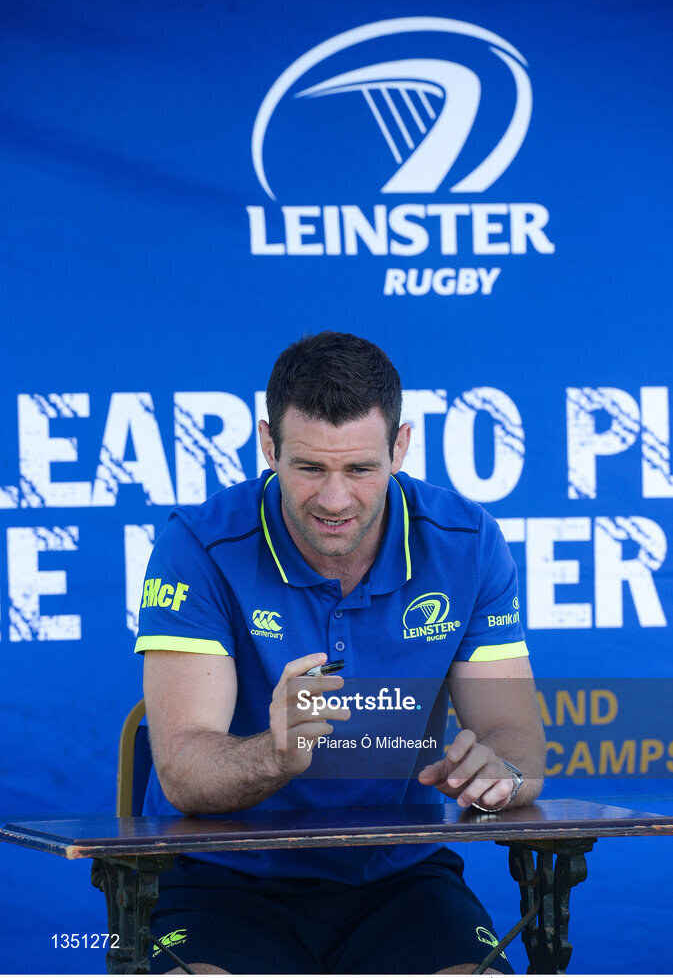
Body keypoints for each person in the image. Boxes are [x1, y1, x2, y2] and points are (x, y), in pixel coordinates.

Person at [136, 331, 545, 975]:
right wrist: (274, 756)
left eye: (359, 469)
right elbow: (182, 768)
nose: (334, 499)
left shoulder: (466, 542)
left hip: (404, 878)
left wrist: (501, 773)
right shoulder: (199, 544)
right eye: (308, 468)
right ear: (268, 444)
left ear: (400, 447)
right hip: (220, 879)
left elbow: (517, 739)